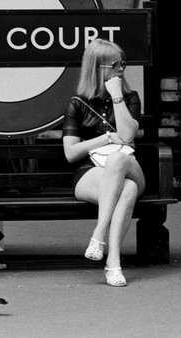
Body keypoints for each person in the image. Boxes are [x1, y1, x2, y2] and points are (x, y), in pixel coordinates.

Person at [62, 39, 144, 287]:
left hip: (129, 166)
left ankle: (99, 234)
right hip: (90, 172)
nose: (121, 69)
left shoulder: (130, 97)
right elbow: (71, 153)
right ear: (98, 67)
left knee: (118, 158)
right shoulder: (77, 103)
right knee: (126, 190)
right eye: (115, 64)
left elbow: (128, 136)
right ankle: (114, 264)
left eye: (123, 63)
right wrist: (105, 137)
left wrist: (117, 95)